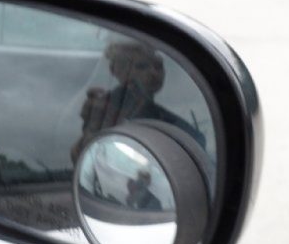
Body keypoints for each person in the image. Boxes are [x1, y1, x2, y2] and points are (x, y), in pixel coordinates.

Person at [71, 42, 205, 161]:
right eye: (142, 66)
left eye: (158, 66)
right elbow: (84, 153)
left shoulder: (173, 122)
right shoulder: (103, 109)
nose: (153, 73)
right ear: (117, 70)